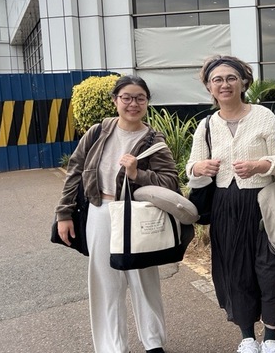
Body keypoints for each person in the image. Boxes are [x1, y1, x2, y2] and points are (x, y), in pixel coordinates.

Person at [55, 75, 179, 353]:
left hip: (137, 215)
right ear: (115, 100)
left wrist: (137, 174)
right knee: (105, 282)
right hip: (100, 211)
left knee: (144, 280)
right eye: (127, 98)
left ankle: (154, 343)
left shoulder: (153, 139)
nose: (133, 104)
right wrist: (63, 213)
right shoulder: (98, 132)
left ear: (147, 102)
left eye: (140, 98)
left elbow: (171, 181)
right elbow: (75, 171)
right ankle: (112, 346)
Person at [186, 55, 275, 353]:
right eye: (217, 80)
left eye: (231, 78)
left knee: (270, 272)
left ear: (244, 82)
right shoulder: (206, 125)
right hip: (225, 208)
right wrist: (199, 168)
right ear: (209, 87)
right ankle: (247, 337)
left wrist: (261, 165)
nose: (225, 84)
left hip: (265, 207)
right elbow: (191, 167)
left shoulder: (263, 116)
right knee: (235, 272)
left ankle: (270, 337)